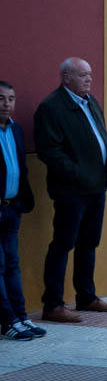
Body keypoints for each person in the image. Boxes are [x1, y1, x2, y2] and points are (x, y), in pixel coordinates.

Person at [33, 57, 107, 323]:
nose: (89, 79)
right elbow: (50, 152)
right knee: (63, 244)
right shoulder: (52, 107)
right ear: (66, 77)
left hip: (95, 187)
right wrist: (78, 173)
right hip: (71, 190)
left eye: (90, 74)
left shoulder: (90, 102)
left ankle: (86, 296)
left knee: (89, 243)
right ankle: (53, 304)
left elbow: (102, 136)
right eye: (83, 75)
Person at [0, 81, 42, 340]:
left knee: (13, 264)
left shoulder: (15, 129)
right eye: (2, 98)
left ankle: (22, 316)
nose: (7, 104)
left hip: (12, 208)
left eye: (11, 99)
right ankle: (8, 321)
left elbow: (20, 166)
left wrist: (22, 200)